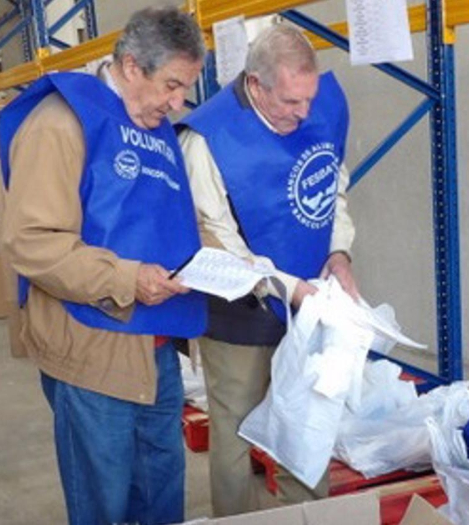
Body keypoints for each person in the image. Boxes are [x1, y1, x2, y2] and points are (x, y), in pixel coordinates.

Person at [0, 7, 206, 524]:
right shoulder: (61, 123)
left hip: (157, 350)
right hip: (92, 353)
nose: (179, 102)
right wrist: (127, 278)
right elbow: (30, 241)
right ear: (132, 66)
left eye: (186, 87)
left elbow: (166, 218)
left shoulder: (151, 121)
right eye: (172, 85)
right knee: (104, 505)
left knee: (161, 498)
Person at [177, 24, 359, 516]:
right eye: (290, 103)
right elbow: (217, 239)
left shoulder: (318, 106)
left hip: (309, 302)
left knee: (308, 419)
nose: (303, 114)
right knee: (236, 425)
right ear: (256, 85)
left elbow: (330, 189)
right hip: (239, 309)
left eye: (309, 99)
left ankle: (308, 513)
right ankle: (239, 517)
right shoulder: (207, 140)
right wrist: (285, 287)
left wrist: (339, 252)